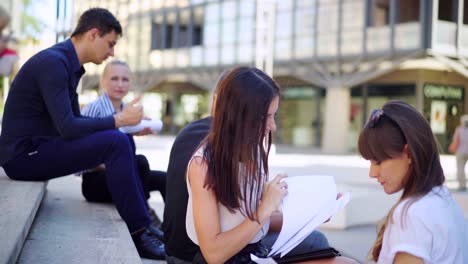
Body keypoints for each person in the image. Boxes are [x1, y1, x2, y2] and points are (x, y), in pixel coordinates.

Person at [0, 8, 165, 260]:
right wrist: (118, 120)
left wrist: (126, 125)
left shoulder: (68, 64)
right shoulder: (54, 63)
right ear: (93, 34)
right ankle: (141, 232)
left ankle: (146, 226)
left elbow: (75, 124)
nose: (112, 52)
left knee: (121, 140)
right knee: (116, 140)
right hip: (22, 157)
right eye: (110, 44)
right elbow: (68, 127)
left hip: (40, 148)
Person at [164, 67, 347, 264]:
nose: (273, 126)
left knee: (338, 257)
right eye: (265, 117)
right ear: (239, 115)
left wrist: (312, 215)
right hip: (226, 259)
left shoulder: (252, 151)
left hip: (254, 252)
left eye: (273, 116)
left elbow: (259, 225)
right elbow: (214, 255)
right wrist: (264, 208)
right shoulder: (203, 165)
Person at [358, 101, 468, 263]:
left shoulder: (412, 214)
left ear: (408, 153)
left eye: (378, 161)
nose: (372, 173)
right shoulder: (443, 199)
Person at [80, 60, 167, 226]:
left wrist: (137, 131)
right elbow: (80, 160)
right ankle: (147, 215)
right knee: (139, 163)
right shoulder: (94, 109)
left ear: (130, 83)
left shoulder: (129, 110)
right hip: (96, 182)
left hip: (125, 176)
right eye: (114, 79)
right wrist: (117, 166)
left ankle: (173, 233)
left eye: (125, 79)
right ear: (103, 81)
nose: (120, 84)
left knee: (165, 179)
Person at [449, 114, 468, 191]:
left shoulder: (459, 129)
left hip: (460, 151)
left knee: (460, 168)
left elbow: (455, 141)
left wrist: (452, 148)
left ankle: (462, 185)